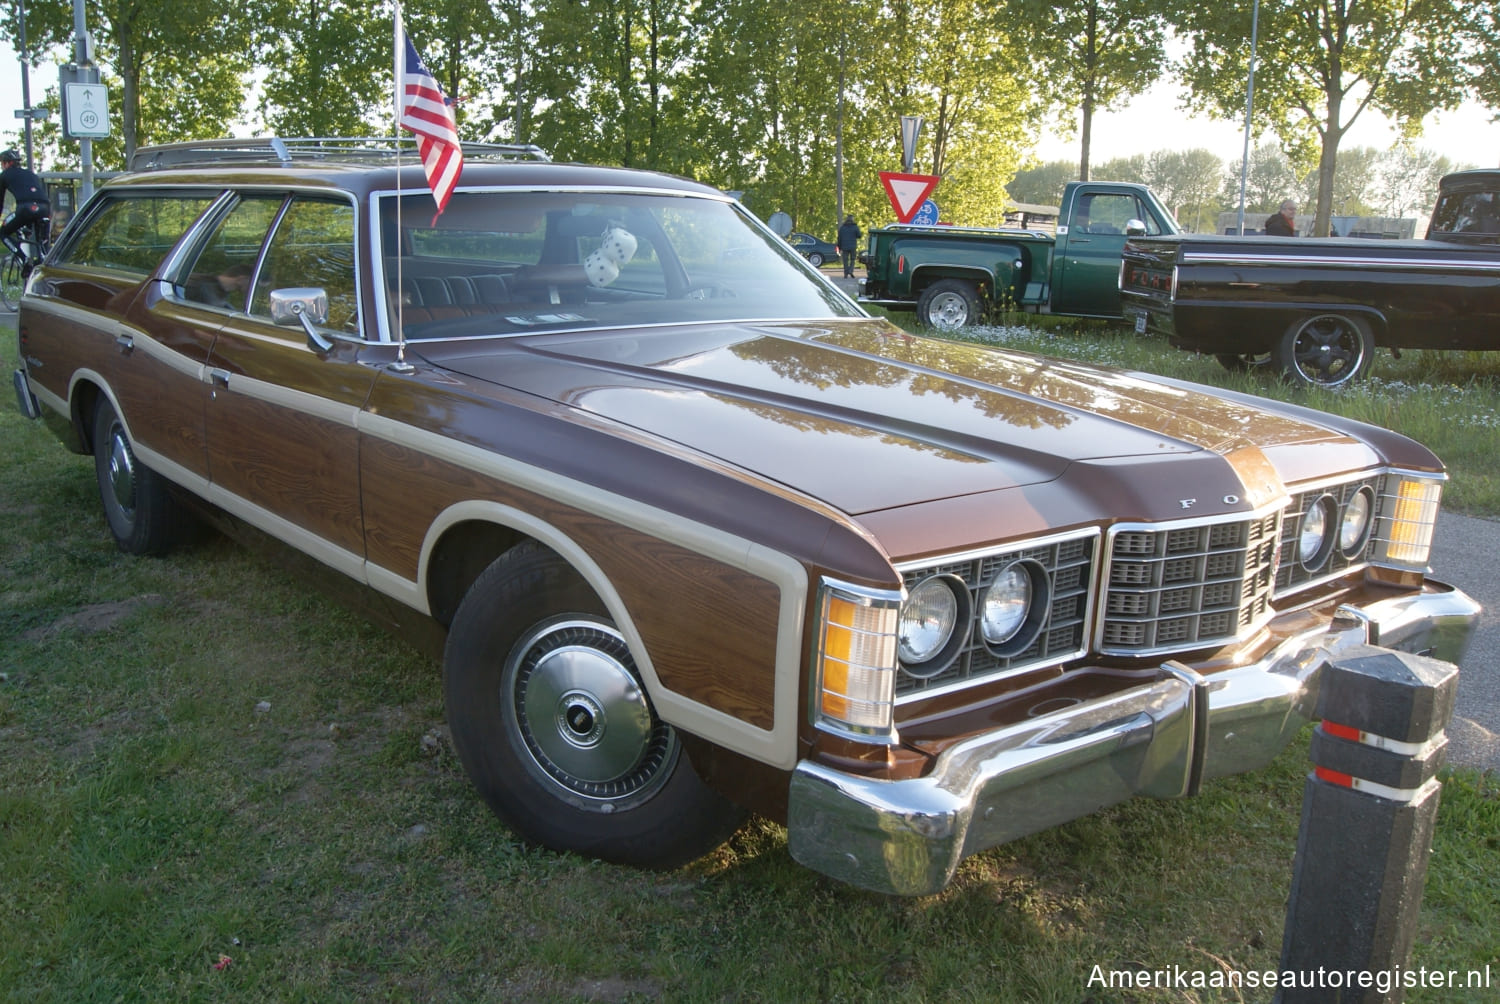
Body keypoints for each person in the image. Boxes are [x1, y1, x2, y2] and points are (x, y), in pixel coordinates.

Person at [0, 149, 51, 256]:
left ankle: (24, 259)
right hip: (45, 208)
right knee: (42, 243)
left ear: (7, 163)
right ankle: (43, 260)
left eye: (1, 163)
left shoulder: (4, 175)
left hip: (25, 208)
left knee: (3, 233)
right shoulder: (31, 174)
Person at [836, 214, 862, 278]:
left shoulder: (842, 228)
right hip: (853, 246)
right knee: (852, 259)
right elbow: (859, 235)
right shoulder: (855, 227)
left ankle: (846, 273)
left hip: (844, 247)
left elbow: (839, 238)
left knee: (845, 260)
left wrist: (839, 247)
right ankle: (850, 271)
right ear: (852, 219)